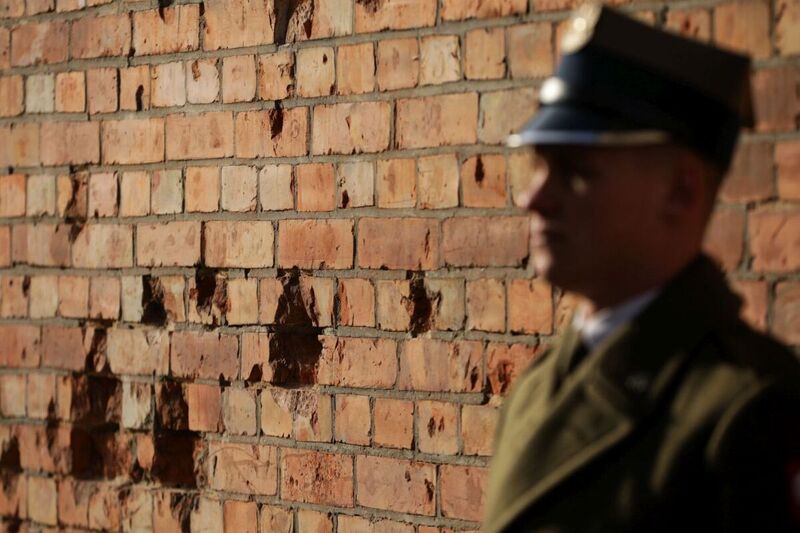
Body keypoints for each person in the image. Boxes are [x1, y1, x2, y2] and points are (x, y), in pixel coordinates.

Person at [482, 4, 800, 532]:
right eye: (539, 165)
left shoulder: (753, 410)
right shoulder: (546, 381)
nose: (533, 197)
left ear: (680, 191)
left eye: (577, 170)